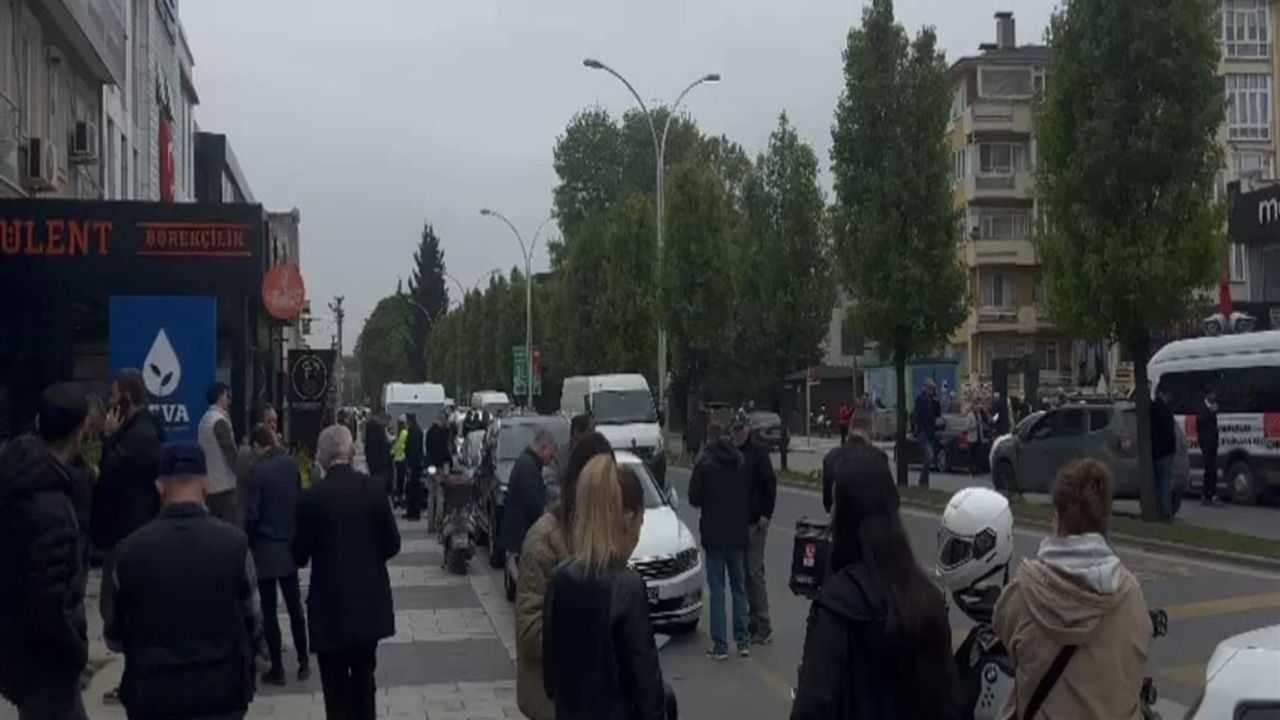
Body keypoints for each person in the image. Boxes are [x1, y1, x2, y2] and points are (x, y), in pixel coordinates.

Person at [790, 442, 960, 720]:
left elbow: (813, 708)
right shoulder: (927, 598)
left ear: (846, 517)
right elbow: (950, 700)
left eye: (835, 506)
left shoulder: (836, 606)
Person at [107, 442, 261, 720]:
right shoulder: (235, 545)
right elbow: (254, 620)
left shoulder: (128, 551)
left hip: (153, 695)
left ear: (160, 486)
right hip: (220, 693)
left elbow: (114, 635)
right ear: (206, 484)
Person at [995, 459, 1150, 719]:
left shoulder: (1024, 592)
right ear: (1105, 521)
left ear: (1056, 520)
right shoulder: (1132, 597)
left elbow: (1001, 627)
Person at [543, 456, 671, 720]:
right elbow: (649, 695)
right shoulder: (628, 587)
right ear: (628, 519)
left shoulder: (559, 580)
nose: (638, 534)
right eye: (640, 522)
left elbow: (550, 682)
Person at [293, 425, 400, 720]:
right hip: (368, 606)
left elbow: (298, 555)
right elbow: (393, 544)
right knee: (365, 679)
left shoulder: (311, 498)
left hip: (329, 610)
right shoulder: (374, 490)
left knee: (335, 688)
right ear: (351, 453)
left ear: (321, 458)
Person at [0, 385, 91, 720]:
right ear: (80, 432)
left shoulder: (18, 479)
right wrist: (75, 649)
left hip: (21, 651)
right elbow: (48, 598)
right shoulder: (48, 505)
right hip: (47, 660)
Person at [516, 432, 614, 720]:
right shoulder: (544, 540)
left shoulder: (606, 537)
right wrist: (593, 642)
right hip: (553, 701)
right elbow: (530, 630)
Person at [93, 369, 165, 705]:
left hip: (128, 531)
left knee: (121, 611)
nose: (110, 403)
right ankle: (132, 675)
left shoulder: (137, 437)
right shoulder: (139, 432)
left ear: (126, 399)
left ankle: (136, 677)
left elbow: (111, 477)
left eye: (113, 396)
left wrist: (109, 438)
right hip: (126, 529)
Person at [244, 424, 310, 686]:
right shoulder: (291, 465)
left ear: (258, 445)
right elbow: (299, 500)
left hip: (265, 548)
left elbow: (253, 513)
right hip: (288, 546)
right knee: (295, 607)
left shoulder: (257, 472)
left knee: (269, 611)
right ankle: (304, 662)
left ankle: (278, 669)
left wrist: (249, 537)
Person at [688, 422, 751, 660]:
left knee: (717, 590)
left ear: (708, 437)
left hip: (714, 534)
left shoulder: (704, 464)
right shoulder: (739, 460)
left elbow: (694, 498)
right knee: (739, 587)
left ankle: (720, 645)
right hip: (737, 532)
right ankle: (743, 641)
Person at [733, 421, 776, 646]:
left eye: (741, 429)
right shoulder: (734, 455)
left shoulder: (758, 454)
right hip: (740, 524)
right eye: (735, 430)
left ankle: (764, 624)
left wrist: (766, 514)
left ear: (747, 430)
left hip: (756, 523)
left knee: (754, 572)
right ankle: (753, 620)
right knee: (745, 574)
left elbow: (770, 485)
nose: (738, 433)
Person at [500, 428, 558, 586]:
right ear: (543, 447)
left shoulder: (526, 462)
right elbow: (533, 505)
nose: (551, 460)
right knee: (523, 581)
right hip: (521, 536)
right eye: (551, 454)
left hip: (517, 535)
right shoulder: (528, 467)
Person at [198, 381, 240, 524]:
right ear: (221, 395)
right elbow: (230, 452)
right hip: (224, 486)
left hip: (209, 486)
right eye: (227, 396)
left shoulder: (204, 420)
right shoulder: (219, 421)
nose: (229, 400)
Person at [1150, 385, 1177, 521]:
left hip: (1155, 452)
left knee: (1157, 484)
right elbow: (1169, 432)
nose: (1169, 397)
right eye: (1167, 394)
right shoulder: (1165, 410)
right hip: (1165, 452)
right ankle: (1166, 513)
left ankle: (1157, 511)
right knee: (1165, 484)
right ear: (1162, 393)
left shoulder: (1151, 408)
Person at [1197, 388, 1221, 506]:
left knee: (1209, 469)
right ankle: (1213, 494)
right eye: (1212, 394)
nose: (1214, 396)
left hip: (1212, 442)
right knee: (1211, 468)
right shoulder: (1202, 407)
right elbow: (1200, 421)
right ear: (1207, 395)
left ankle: (1205, 494)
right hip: (1206, 442)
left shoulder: (1213, 407)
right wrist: (1210, 412)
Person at [915, 379, 939, 489]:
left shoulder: (932, 401)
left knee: (928, 458)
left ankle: (925, 482)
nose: (931, 391)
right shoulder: (921, 400)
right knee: (929, 456)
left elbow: (937, 414)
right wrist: (920, 429)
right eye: (930, 388)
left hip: (930, 433)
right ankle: (922, 482)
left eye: (933, 389)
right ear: (925, 388)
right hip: (923, 433)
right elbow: (918, 416)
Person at [404, 412, 425, 521]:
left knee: (413, 489)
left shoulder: (413, 431)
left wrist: (409, 464)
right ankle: (412, 511)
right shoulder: (417, 430)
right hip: (417, 463)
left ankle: (414, 513)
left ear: (410, 420)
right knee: (414, 488)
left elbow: (412, 449)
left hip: (414, 464)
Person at [364, 412, 391, 496]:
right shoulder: (379, 429)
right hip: (380, 463)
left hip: (372, 461)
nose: (388, 424)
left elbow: (367, 445)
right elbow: (384, 446)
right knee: (381, 485)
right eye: (388, 421)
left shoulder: (370, 428)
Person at [392, 418, 407, 506]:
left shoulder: (401, 433)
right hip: (401, 459)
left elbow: (398, 445)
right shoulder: (403, 433)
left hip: (399, 459)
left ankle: (399, 497)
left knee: (399, 481)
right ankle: (400, 498)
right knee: (400, 480)